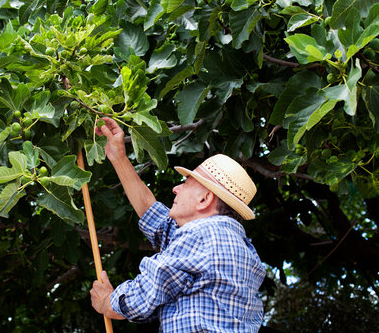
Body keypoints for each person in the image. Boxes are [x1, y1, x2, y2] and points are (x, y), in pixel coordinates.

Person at [89, 117, 265, 332]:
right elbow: (151, 213)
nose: (176, 189)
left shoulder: (202, 235)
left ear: (205, 200)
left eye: (186, 184)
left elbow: (145, 295)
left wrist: (108, 302)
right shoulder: (238, 247)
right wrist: (118, 157)